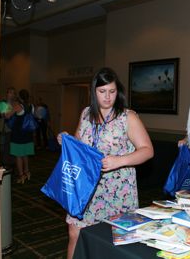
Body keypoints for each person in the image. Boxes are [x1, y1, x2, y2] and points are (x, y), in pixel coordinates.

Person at [57, 67, 154, 259]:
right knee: (74, 234)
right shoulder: (86, 113)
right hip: (85, 187)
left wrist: (120, 160)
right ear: (94, 92)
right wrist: (66, 139)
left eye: (112, 91)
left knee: (111, 243)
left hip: (116, 190)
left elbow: (148, 151)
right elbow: (79, 143)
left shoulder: (128, 117)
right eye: (102, 92)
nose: (108, 97)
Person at [9, 89, 35, 184]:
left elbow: (7, 115)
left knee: (18, 156)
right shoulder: (31, 106)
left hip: (18, 134)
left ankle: (21, 175)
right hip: (28, 134)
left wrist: (7, 107)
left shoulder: (18, 106)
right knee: (25, 154)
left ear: (19, 97)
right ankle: (27, 172)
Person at [0, 87, 17, 169]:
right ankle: (4, 163)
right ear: (7, 94)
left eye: (13, 93)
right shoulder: (2, 103)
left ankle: (11, 163)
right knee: (3, 146)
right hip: (4, 128)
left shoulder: (15, 103)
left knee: (11, 146)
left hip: (14, 128)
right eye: (10, 92)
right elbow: (4, 115)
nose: (11, 94)